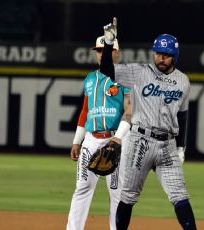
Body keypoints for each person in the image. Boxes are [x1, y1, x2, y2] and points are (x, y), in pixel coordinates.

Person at [99, 18, 197, 230]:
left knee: (180, 195)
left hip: (168, 145)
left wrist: (181, 146)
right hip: (140, 141)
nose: (161, 58)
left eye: (167, 55)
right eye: (158, 53)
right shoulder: (139, 72)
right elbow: (107, 69)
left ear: (175, 56)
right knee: (128, 196)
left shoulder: (183, 81)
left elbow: (183, 115)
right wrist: (108, 44)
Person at [67, 35, 132, 230]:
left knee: (117, 193)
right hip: (91, 139)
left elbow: (130, 111)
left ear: (116, 53)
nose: (100, 54)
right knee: (82, 189)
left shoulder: (126, 77)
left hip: (117, 138)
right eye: (98, 51)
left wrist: (118, 139)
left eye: (105, 51)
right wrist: (77, 141)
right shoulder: (90, 78)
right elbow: (85, 111)